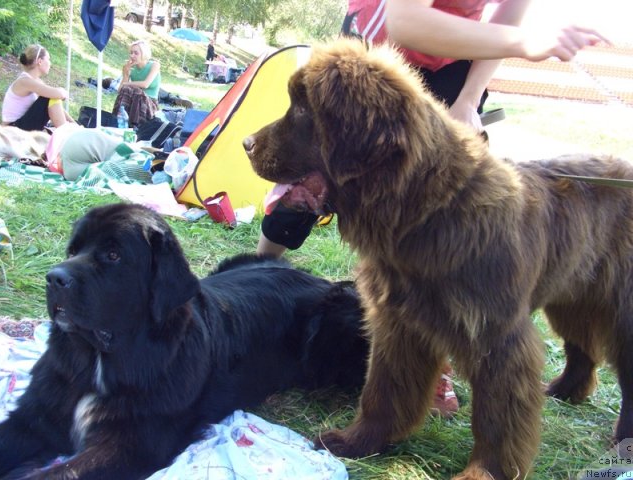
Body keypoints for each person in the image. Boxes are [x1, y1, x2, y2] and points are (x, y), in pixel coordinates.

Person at [257, 0, 607, 416]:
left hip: (457, 59)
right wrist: (527, 42)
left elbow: (509, 10)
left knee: (434, 215)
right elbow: (404, 20)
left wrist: (470, 97)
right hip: (376, 48)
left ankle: (429, 354)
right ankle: (259, 287)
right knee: (302, 180)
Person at [1, 44, 76, 132]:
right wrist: (64, 92)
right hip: (12, 129)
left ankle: (70, 133)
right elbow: (58, 94)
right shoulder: (25, 81)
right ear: (40, 61)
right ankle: (66, 135)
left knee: (51, 97)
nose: (50, 63)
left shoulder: (35, 81)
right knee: (51, 97)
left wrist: (73, 123)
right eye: (48, 59)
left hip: (19, 125)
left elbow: (55, 105)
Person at [112, 39, 161, 128]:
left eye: (136, 53)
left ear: (144, 54)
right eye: (131, 53)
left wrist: (127, 84)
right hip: (134, 102)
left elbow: (146, 84)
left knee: (136, 91)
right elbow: (120, 90)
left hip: (150, 104)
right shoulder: (131, 68)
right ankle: (116, 120)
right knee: (127, 89)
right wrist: (125, 74)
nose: (132, 56)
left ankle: (135, 125)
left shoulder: (154, 65)